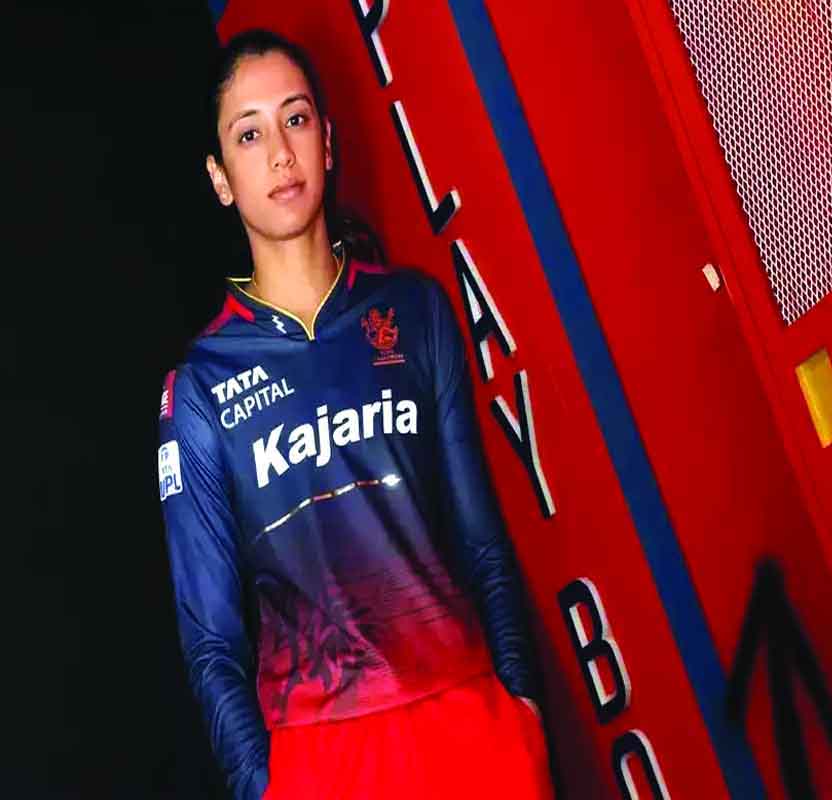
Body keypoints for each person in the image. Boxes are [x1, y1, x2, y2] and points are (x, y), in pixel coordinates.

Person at [156, 28, 553, 800]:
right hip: (325, 757)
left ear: (328, 141)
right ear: (220, 178)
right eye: (249, 134)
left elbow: (482, 542)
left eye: (296, 119)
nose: (280, 153)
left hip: (472, 727)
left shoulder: (414, 311)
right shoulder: (200, 386)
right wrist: (266, 788)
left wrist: (521, 708)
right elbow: (211, 642)